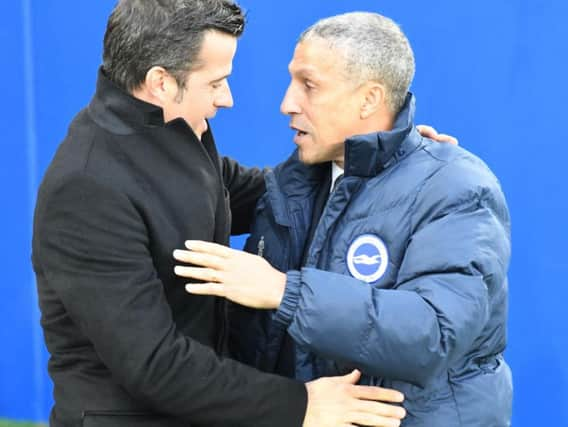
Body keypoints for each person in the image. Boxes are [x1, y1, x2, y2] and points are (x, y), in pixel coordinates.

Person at [31, 2, 412, 426]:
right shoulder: (87, 190)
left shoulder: (171, 132)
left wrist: (384, 152)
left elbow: (260, 191)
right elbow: (155, 363)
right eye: (216, 83)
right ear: (160, 82)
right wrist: (302, 405)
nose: (226, 99)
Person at [174, 11, 513, 427]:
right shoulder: (291, 184)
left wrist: (285, 292)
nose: (286, 103)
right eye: (291, 80)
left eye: (309, 86)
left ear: (369, 99)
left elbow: (435, 334)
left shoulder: (457, 188)